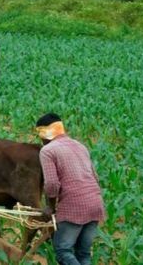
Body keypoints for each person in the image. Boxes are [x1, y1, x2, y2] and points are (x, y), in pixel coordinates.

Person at [36, 113, 106, 265]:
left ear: (45, 134)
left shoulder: (48, 151)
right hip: (95, 203)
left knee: (63, 251)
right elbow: (95, 176)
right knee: (84, 254)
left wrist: (50, 207)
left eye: (39, 135)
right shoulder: (80, 146)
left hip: (74, 207)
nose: (40, 140)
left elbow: (52, 184)